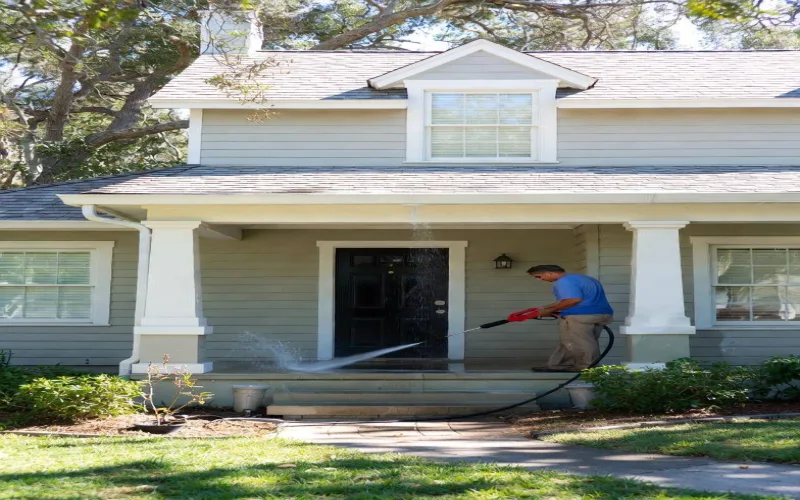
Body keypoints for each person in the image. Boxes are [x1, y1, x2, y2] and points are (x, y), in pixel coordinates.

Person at [526, 264, 613, 372]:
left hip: (580, 316)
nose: (541, 279)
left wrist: (550, 311)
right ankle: (560, 365)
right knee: (574, 341)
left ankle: (586, 368)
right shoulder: (584, 278)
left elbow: (573, 300)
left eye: (539, 276)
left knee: (579, 342)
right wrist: (545, 308)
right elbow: (567, 300)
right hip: (600, 314)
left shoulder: (564, 281)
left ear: (548, 273)